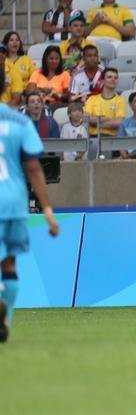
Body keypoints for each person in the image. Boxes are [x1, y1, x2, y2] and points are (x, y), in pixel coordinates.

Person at [0, 68, 58, 340]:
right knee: (9, 263)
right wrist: (47, 211)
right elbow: (34, 167)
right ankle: (7, 320)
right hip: (13, 202)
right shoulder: (20, 122)